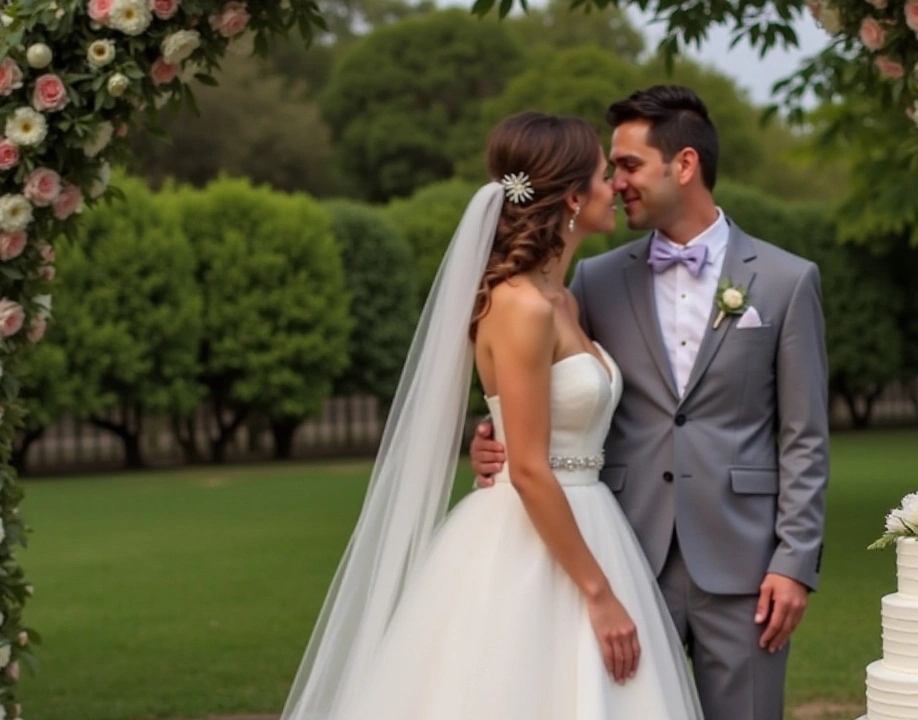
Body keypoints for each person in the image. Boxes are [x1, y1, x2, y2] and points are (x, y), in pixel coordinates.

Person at [281, 112, 703, 720]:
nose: (616, 186)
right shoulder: (520, 307)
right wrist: (600, 594)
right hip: (530, 536)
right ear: (571, 197)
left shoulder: (565, 301)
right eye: (603, 175)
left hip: (590, 520)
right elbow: (529, 469)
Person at [471, 85, 830, 720]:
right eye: (609, 169)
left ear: (683, 165)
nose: (618, 182)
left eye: (629, 165)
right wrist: (495, 436)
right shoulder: (593, 281)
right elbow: (553, 396)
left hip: (745, 567)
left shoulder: (784, 280)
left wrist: (795, 562)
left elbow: (804, 434)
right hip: (625, 550)